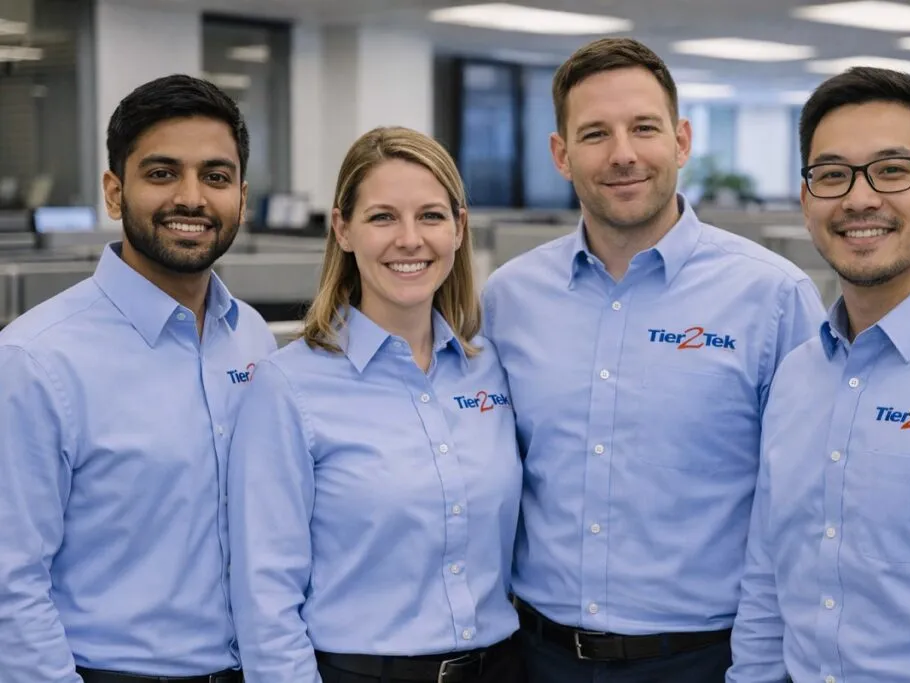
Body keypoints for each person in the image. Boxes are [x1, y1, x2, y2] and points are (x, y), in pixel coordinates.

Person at [481, 37, 825, 683]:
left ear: (682, 139)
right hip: (536, 656)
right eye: (594, 133)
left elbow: (804, 507)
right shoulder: (509, 297)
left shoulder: (772, 297)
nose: (623, 154)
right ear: (561, 154)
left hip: (706, 659)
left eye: (644, 127)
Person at [726, 66, 910, 683]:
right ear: (807, 200)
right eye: (831, 175)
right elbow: (766, 587)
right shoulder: (796, 374)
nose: (859, 198)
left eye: (892, 170)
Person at [0, 74, 277, 683]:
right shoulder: (36, 359)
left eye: (216, 176)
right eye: (161, 173)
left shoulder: (252, 336)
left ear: (242, 196)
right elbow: (9, 584)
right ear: (114, 191)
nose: (192, 198)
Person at [226, 126, 523, 683]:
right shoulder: (288, 386)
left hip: (504, 667)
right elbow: (266, 597)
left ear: (459, 230)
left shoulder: (491, 369)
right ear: (342, 228)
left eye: (431, 216)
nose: (409, 239)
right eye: (383, 217)